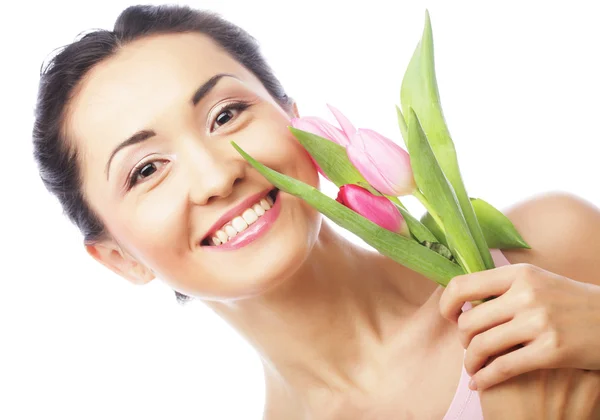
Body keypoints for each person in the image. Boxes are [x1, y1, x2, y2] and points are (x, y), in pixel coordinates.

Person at [32, 4, 600, 419]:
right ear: (118, 259)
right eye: (147, 170)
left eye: (226, 114)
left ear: (295, 120)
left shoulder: (548, 246)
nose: (216, 175)